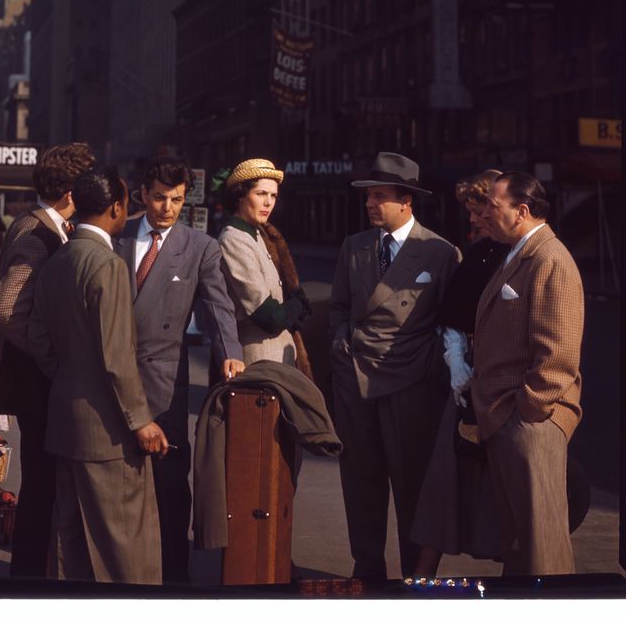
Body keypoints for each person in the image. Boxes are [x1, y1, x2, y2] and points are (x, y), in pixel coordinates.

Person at [28, 165, 168, 585]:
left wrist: (73, 374)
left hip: (66, 420)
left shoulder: (58, 260)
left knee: (69, 548)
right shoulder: (107, 264)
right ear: (116, 207)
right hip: (108, 432)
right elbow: (117, 355)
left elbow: (39, 339)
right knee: (126, 550)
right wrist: (140, 421)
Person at [329, 151, 460, 580]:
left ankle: (412, 580)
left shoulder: (439, 252)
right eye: (368, 196)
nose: (370, 205)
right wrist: (342, 349)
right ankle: (366, 572)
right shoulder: (355, 246)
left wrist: (430, 370)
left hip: (410, 384)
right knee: (361, 484)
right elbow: (340, 308)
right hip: (357, 381)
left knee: (412, 488)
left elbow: (452, 322)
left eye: (379, 197)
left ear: (407, 201)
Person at [114, 155, 244, 583]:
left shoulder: (200, 246)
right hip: (111, 374)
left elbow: (218, 305)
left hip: (165, 379)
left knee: (169, 482)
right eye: (158, 198)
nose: (167, 208)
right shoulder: (117, 236)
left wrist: (229, 350)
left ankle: (174, 575)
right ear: (141, 195)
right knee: (117, 478)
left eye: (176, 199)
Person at [0, 141, 96, 578]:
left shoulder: (48, 226)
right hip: (35, 384)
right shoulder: (36, 233)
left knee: (44, 486)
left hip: (38, 382)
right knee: (40, 488)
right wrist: (52, 358)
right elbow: (8, 309)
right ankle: (27, 581)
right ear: (69, 192)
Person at [471, 172, 584, 576]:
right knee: (518, 543)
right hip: (507, 418)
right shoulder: (519, 254)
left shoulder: (550, 258)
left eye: (493, 206)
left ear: (521, 211)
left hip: (529, 421)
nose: (485, 213)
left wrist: (528, 410)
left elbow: (559, 355)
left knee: (542, 545)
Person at [410, 169, 508, 573]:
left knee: (503, 498)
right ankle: (420, 583)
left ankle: (520, 589)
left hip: (505, 390)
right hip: (466, 386)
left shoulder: (520, 255)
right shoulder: (480, 254)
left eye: (477, 209)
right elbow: (452, 313)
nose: (471, 219)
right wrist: (456, 363)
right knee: (443, 487)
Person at [217, 159, 313, 373]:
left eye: (273, 196)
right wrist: (297, 304)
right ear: (240, 195)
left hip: (280, 356)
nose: (268, 202)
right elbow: (270, 317)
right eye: (261, 194)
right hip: (259, 358)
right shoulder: (234, 239)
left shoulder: (258, 234)